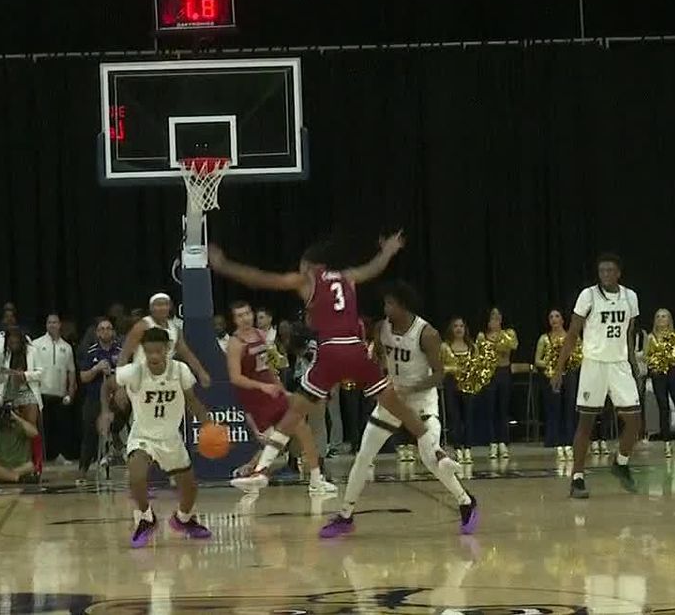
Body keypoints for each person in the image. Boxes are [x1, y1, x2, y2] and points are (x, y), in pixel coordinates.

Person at [208, 231, 464, 538]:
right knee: (396, 405)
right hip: (356, 350)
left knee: (294, 412)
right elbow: (373, 268)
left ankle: (261, 469)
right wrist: (388, 251)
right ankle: (438, 453)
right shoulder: (348, 277)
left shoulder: (308, 280)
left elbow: (262, 279)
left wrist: (224, 265)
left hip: (331, 353)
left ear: (312, 265)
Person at [352, 282, 478, 534]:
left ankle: (465, 500)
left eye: (390, 304)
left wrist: (411, 387)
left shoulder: (427, 333)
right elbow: (378, 358)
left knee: (429, 458)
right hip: (393, 400)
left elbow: (439, 375)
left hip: (421, 400)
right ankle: (345, 514)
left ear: (403, 306)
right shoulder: (381, 328)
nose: (385, 308)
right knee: (363, 456)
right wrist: (376, 372)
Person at [551, 253, 642, 499]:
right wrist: (559, 368)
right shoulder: (588, 296)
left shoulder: (630, 297)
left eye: (610, 270)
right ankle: (577, 478)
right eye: (602, 271)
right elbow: (572, 334)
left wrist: (633, 364)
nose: (605, 274)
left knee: (635, 421)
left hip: (619, 364)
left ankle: (621, 462)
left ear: (618, 273)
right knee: (586, 423)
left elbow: (629, 333)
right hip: (594, 364)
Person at [114, 327, 213, 548]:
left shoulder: (180, 370)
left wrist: (208, 424)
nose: (154, 356)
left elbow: (192, 401)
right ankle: (146, 517)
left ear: (167, 349)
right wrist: (108, 405)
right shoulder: (135, 372)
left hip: (170, 438)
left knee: (190, 489)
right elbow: (109, 383)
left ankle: (183, 519)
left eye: (158, 351)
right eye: (149, 352)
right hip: (143, 435)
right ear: (143, 350)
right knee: (136, 475)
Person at [226, 301, 335, 496]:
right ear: (234, 320)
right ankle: (255, 472)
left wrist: (282, 390)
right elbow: (235, 378)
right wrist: (262, 386)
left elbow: (267, 368)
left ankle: (316, 479)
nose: (245, 318)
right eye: (240, 316)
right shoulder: (235, 343)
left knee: (302, 429)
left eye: (247, 313)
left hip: (273, 393)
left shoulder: (260, 335)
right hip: (255, 398)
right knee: (276, 440)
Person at [116, 293, 211, 388]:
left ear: (170, 307)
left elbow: (186, 353)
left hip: (165, 377)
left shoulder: (175, 328)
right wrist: (120, 381)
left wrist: (201, 372)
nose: (162, 308)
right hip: (142, 376)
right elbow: (125, 354)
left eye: (165, 305)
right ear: (151, 308)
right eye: (158, 305)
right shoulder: (142, 326)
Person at [536, 309, 580, 461]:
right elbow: (537, 360)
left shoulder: (571, 337)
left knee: (569, 406)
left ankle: (569, 440)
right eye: (551, 317)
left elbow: (579, 355)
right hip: (552, 376)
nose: (554, 319)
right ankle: (554, 440)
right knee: (554, 407)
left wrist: (569, 361)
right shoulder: (544, 338)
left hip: (569, 375)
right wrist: (552, 363)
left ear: (562, 320)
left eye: (557, 316)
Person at [34, 314, 78, 465]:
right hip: (41, 392)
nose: (52, 325)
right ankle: (42, 457)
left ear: (60, 325)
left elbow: (71, 371)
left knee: (60, 427)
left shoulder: (67, 347)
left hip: (60, 393)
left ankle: (60, 455)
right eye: (49, 322)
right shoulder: (36, 344)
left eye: (55, 322)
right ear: (46, 325)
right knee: (43, 427)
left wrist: (70, 392)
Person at [83, 317, 123, 475]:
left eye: (108, 328)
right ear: (97, 333)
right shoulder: (91, 352)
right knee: (89, 430)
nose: (106, 331)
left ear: (113, 332)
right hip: (95, 397)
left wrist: (116, 372)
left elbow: (130, 375)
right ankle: (84, 469)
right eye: (102, 329)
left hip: (116, 397)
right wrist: (96, 369)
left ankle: (116, 442)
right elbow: (83, 377)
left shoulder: (121, 352)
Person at [476, 308, 517, 459]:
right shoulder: (482, 336)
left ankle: (503, 442)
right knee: (490, 408)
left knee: (503, 408)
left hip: (503, 371)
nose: (496, 317)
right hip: (489, 373)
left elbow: (511, 346)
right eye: (492, 315)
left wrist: (498, 335)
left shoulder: (509, 333)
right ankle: (492, 442)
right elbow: (479, 354)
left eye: (498, 315)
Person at [647, 308, 675, 457]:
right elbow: (647, 356)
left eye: (664, 316)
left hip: (674, 373)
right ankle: (667, 442)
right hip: (658, 375)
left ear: (669, 319)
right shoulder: (650, 337)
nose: (661, 319)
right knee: (663, 408)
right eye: (658, 316)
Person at [442, 318, 477, 463]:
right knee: (454, 417)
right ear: (451, 329)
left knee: (468, 417)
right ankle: (457, 448)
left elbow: (477, 365)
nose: (458, 329)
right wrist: (454, 369)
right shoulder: (445, 347)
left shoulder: (472, 346)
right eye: (455, 326)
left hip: (468, 384)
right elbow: (439, 366)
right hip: (451, 383)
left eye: (461, 326)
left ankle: (467, 448)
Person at [0, 399, 40, 484]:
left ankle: (5, 477)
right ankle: (16, 478)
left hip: (20, 466)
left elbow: (35, 433)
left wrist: (16, 418)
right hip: (1, 466)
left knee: (30, 466)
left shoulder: (21, 425)